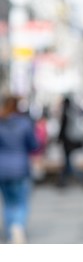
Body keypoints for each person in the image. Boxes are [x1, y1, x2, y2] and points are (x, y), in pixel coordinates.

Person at [0, 95, 39, 243]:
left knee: (8, 202)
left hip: (1, 169)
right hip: (20, 167)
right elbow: (34, 144)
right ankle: (17, 226)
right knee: (20, 202)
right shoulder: (24, 123)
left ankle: (11, 231)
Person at [57, 95, 83, 188]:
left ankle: (82, 178)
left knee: (68, 164)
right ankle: (63, 181)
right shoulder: (73, 112)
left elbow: (63, 129)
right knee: (67, 163)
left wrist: (58, 139)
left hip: (67, 142)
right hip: (71, 141)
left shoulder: (66, 113)